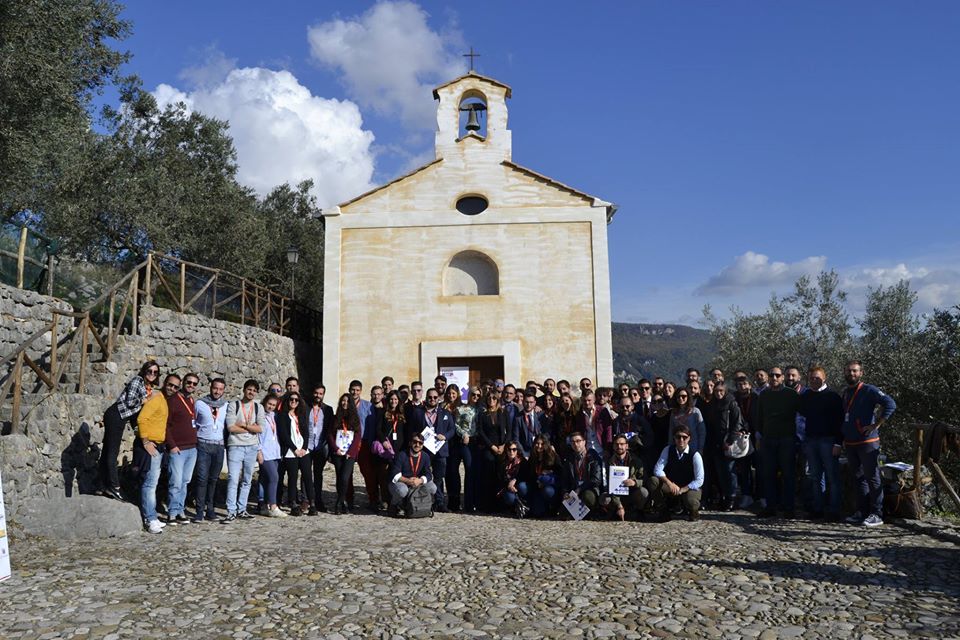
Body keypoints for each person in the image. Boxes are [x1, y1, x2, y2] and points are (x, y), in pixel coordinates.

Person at [841, 360, 896, 527]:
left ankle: (877, 513)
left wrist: (876, 425)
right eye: (849, 371)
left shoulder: (869, 390)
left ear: (861, 373)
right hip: (851, 442)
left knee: (873, 477)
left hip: (867, 441)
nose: (852, 374)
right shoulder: (845, 392)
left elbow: (890, 404)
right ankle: (862, 511)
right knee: (858, 477)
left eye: (855, 371)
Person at [100, 360, 160, 500]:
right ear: (144, 371)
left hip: (120, 417)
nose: (152, 374)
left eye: (155, 372)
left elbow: (135, 413)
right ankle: (115, 487)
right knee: (112, 452)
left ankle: (103, 485)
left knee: (107, 452)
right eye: (149, 371)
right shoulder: (137, 381)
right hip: (116, 415)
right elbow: (130, 402)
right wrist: (144, 401)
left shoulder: (146, 387)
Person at [799, 367, 844, 520]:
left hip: (829, 441)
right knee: (815, 477)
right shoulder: (806, 396)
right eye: (811, 378)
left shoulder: (833, 397)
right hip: (811, 440)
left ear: (824, 378)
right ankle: (817, 509)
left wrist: (839, 443)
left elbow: (840, 422)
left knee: (832, 477)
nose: (814, 380)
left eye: (817, 378)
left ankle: (833, 510)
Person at [756, 367, 800, 518]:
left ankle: (788, 508)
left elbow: (800, 414)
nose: (774, 377)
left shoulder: (791, 394)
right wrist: (761, 435)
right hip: (768, 439)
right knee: (768, 474)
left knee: (788, 474)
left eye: (777, 375)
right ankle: (771, 507)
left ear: (782, 378)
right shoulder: (764, 395)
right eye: (772, 375)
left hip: (787, 439)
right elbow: (759, 417)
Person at [222, 379, 265, 523]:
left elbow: (260, 428)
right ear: (244, 390)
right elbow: (231, 427)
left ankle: (242, 509)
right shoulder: (234, 406)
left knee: (247, 480)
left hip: (252, 447)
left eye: (254, 390)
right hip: (235, 446)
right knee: (233, 479)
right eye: (249, 389)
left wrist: (244, 425)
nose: (251, 392)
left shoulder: (259, 408)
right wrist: (250, 427)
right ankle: (231, 511)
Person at [138, 374, 175, 534]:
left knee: (153, 482)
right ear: (164, 383)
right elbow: (142, 418)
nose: (172, 388)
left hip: (158, 446)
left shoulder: (162, 400)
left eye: (175, 387)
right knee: (149, 484)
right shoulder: (157, 398)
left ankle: (152, 515)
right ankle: (150, 518)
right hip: (151, 445)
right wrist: (145, 441)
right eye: (170, 385)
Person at [408, 387, 454, 511]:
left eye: (435, 397)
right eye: (430, 397)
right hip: (424, 451)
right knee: (424, 476)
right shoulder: (417, 412)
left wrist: (445, 436)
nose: (432, 399)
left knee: (439, 477)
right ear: (426, 398)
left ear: (439, 398)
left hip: (440, 450)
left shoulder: (445, 413)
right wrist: (417, 438)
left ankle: (439, 502)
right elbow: (412, 429)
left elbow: (452, 430)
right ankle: (423, 501)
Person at [647, 425, 705, 521]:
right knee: (653, 481)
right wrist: (669, 483)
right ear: (674, 438)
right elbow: (657, 469)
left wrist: (683, 489)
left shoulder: (695, 455)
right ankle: (663, 510)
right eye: (678, 437)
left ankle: (693, 511)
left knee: (691, 501)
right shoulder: (668, 450)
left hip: (689, 487)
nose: (681, 440)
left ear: (689, 438)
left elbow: (699, 480)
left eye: (684, 437)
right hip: (672, 485)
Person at [164, 372, 200, 525]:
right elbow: (165, 425)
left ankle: (180, 510)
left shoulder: (191, 400)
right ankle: (172, 513)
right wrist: (171, 445)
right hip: (178, 449)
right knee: (176, 481)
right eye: (189, 382)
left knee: (185, 481)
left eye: (194, 383)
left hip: (192, 448)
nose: (191, 385)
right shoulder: (172, 400)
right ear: (183, 383)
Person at [702, 384, 742, 511]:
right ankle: (723, 497)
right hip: (715, 443)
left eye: (721, 391)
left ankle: (732, 498)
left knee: (730, 472)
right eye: (716, 391)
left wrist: (730, 440)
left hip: (727, 443)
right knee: (720, 473)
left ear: (725, 391)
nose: (718, 393)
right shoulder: (712, 404)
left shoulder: (732, 404)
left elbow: (737, 423)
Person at [193, 377, 227, 523]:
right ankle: (199, 511)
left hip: (219, 446)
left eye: (220, 389)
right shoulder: (200, 404)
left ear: (223, 390)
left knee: (213, 479)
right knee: (202, 478)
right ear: (210, 387)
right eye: (215, 388)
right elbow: (193, 422)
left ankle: (210, 510)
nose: (217, 391)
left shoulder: (226, 405)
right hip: (203, 445)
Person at [278, 390, 315, 516]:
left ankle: (312, 503)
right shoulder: (282, 416)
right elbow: (284, 435)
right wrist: (295, 449)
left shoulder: (302, 415)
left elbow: (306, 432)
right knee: (292, 478)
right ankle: (293, 503)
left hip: (304, 451)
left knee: (308, 477)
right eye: (291, 399)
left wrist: (304, 448)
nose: (294, 402)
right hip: (291, 452)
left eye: (296, 400)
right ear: (287, 401)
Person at [476, 393, 511, 512]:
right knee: (489, 475)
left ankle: (501, 504)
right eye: (489, 398)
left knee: (500, 475)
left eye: (494, 398)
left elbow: (509, 431)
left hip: (501, 447)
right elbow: (480, 431)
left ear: (497, 400)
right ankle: (488, 505)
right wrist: (492, 446)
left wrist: (503, 445)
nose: (491, 400)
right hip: (489, 447)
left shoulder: (503, 413)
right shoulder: (482, 414)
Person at [329, 393, 362, 515]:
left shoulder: (355, 418)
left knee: (345, 477)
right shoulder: (335, 417)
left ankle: (339, 501)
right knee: (339, 477)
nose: (345, 403)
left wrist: (351, 452)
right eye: (343, 401)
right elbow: (330, 435)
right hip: (338, 452)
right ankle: (343, 503)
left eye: (347, 401)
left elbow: (358, 436)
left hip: (349, 454)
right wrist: (335, 448)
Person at [388, 433, 436, 515]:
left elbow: (428, 474)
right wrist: (408, 481)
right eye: (415, 442)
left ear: (422, 445)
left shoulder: (425, 456)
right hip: (402, 482)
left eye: (420, 443)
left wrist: (420, 480)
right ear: (410, 443)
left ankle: (424, 506)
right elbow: (395, 474)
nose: (417, 445)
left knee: (432, 487)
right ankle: (394, 505)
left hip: (417, 482)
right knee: (402, 491)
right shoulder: (401, 455)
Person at [448, 386, 479, 513]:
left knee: (472, 472)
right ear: (469, 395)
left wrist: (473, 435)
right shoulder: (461, 409)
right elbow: (456, 424)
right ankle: (460, 502)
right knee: (461, 471)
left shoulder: (481, 410)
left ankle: (471, 502)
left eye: (478, 395)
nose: (476, 397)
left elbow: (481, 426)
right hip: (464, 442)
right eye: (473, 395)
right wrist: (464, 434)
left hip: (476, 442)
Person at [604, 434, 649, 520]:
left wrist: (635, 482)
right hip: (617, 493)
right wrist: (619, 505)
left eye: (622, 444)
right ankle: (616, 510)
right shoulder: (610, 462)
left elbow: (644, 479)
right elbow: (611, 485)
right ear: (613, 446)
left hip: (632, 492)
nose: (619, 446)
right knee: (604, 499)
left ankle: (638, 510)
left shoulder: (636, 460)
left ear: (627, 446)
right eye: (616, 444)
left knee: (643, 492)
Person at [348, 379, 377, 510]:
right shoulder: (345, 404)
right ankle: (348, 499)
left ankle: (373, 499)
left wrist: (370, 443)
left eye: (357, 390)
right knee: (347, 473)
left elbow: (371, 426)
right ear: (349, 390)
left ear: (361, 391)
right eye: (353, 390)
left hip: (364, 443)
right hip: (348, 443)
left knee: (367, 472)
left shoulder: (368, 406)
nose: (355, 392)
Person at [257, 393, 287, 518]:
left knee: (265, 479)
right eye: (269, 404)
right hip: (264, 452)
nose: (271, 407)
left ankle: (263, 505)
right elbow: (257, 435)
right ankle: (273, 506)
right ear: (265, 403)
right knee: (274, 477)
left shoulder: (275, 416)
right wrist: (258, 451)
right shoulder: (260, 416)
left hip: (275, 452)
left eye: (274, 405)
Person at [559, 432, 604, 514]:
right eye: (573, 442)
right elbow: (565, 479)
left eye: (578, 441)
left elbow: (596, 480)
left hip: (589, 489)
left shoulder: (593, 457)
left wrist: (580, 489)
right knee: (563, 512)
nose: (576, 444)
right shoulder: (569, 458)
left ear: (584, 442)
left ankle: (592, 512)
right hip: (574, 490)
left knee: (588, 497)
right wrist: (565, 492)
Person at [375, 390, 406, 510]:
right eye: (392, 399)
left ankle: (397, 500)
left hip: (399, 450)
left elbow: (405, 431)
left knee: (397, 476)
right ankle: (386, 500)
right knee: (384, 476)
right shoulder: (383, 413)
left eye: (396, 399)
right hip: (386, 450)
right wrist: (383, 441)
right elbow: (378, 430)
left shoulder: (402, 414)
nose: (394, 401)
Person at [307, 383, 334, 513]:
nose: (318, 395)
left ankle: (318, 500)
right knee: (306, 475)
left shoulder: (328, 410)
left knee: (318, 475)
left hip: (320, 446)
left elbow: (330, 428)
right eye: (316, 393)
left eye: (321, 393)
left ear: (323, 395)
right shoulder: (305, 407)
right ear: (313, 393)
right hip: (307, 446)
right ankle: (306, 500)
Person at [525, 434, 559, 517]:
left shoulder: (552, 455)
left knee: (547, 490)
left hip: (549, 486)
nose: (539, 446)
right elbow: (529, 475)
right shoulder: (533, 456)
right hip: (537, 486)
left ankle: (552, 507)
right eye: (537, 443)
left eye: (542, 444)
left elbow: (559, 473)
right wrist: (537, 481)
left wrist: (545, 477)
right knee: (537, 513)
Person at [497, 440, 529, 514]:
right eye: (509, 450)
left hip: (519, 485)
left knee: (522, 487)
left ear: (517, 450)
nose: (512, 452)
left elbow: (525, 475)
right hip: (507, 487)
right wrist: (509, 485)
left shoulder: (522, 461)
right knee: (510, 498)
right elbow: (500, 478)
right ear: (506, 450)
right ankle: (514, 507)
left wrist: (515, 481)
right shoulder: (502, 462)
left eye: (514, 449)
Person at [670, 389, 705, 454]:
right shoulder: (673, 412)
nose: (681, 398)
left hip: (693, 447)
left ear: (688, 397)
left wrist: (700, 448)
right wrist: (670, 447)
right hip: (678, 446)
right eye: (678, 396)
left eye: (683, 396)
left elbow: (702, 431)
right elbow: (671, 431)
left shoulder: (695, 411)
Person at [512, 391, 543, 457]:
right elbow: (516, 439)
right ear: (523, 402)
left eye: (531, 402)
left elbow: (544, 433)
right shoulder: (518, 418)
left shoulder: (540, 415)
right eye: (526, 402)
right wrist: (524, 454)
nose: (529, 405)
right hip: (525, 452)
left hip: (539, 450)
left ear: (535, 403)